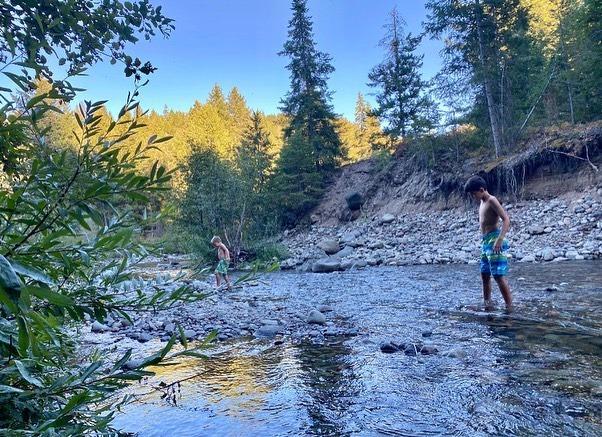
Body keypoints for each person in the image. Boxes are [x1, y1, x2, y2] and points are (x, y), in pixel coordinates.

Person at [464, 176, 513, 311]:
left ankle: (509, 306)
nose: (473, 196)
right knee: (485, 274)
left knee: (497, 275)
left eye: (474, 194)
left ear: (481, 189)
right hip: (485, 241)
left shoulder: (492, 200)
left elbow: (506, 219)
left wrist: (500, 240)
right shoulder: (482, 201)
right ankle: (487, 303)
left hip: (494, 239)